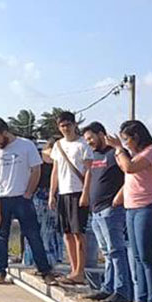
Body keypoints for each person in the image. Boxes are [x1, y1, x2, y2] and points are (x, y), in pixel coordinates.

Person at [0, 117, 58, 286]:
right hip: (1, 198)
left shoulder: (26, 145)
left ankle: (45, 271)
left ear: (5, 132)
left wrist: (29, 192)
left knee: (32, 234)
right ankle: (0, 271)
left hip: (22, 198)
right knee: (1, 236)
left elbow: (35, 169)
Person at [105, 120, 152, 302]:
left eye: (127, 140)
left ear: (137, 137)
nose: (125, 144)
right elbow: (130, 177)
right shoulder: (136, 154)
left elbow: (129, 168)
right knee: (138, 257)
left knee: (148, 257)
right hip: (133, 209)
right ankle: (141, 299)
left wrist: (117, 148)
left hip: (149, 209)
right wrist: (119, 197)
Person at [81, 122, 132, 302]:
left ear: (101, 134)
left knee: (116, 251)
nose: (89, 142)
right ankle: (108, 287)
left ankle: (122, 290)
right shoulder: (95, 155)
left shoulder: (116, 153)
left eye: (91, 138)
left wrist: (119, 197)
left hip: (112, 209)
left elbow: (130, 175)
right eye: (86, 140)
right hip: (96, 211)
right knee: (107, 252)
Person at [48, 111, 93, 286]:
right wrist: (52, 193)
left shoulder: (83, 145)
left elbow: (89, 170)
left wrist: (85, 193)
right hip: (63, 192)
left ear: (74, 124)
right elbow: (55, 171)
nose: (65, 128)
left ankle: (80, 271)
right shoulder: (58, 145)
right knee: (66, 233)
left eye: (68, 124)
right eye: (62, 126)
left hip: (77, 192)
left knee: (78, 233)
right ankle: (73, 269)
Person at [26, 140, 64, 268]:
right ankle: (36, 259)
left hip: (53, 196)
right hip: (39, 195)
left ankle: (49, 259)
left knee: (50, 230)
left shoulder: (57, 159)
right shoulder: (39, 156)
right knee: (40, 230)